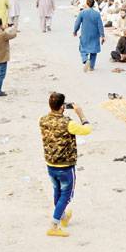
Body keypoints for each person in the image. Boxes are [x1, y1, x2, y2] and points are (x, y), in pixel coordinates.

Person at [39, 93, 92, 237]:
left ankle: (62, 216)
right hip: (65, 165)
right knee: (66, 195)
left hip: (50, 163)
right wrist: (81, 114)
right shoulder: (68, 123)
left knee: (57, 191)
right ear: (63, 107)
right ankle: (54, 225)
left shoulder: (43, 120)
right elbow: (87, 130)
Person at [73, 0, 105, 72]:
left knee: (83, 48)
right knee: (94, 50)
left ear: (86, 4)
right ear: (93, 4)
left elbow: (77, 23)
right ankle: (91, 66)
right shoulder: (97, 14)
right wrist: (102, 36)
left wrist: (75, 31)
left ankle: (85, 60)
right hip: (95, 34)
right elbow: (100, 25)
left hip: (85, 34)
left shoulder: (82, 13)